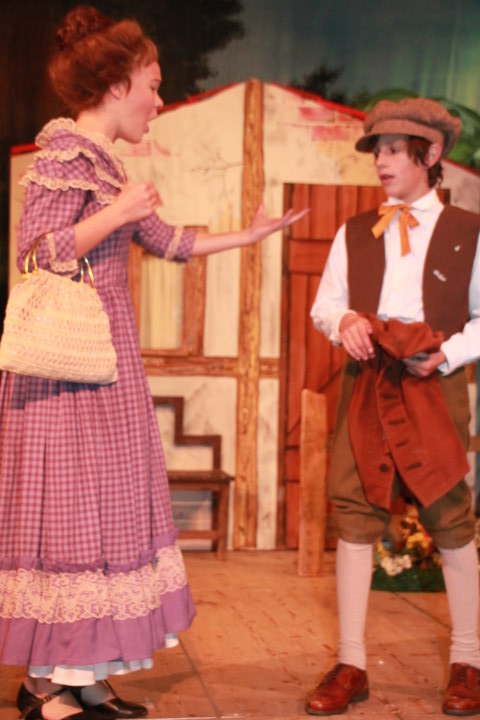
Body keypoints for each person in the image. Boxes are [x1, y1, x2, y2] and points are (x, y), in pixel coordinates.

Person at [0, 6, 307, 720]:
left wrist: (248, 235)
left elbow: (169, 241)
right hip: (64, 373)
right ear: (117, 85)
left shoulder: (106, 164)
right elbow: (35, 253)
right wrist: (115, 213)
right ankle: (47, 686)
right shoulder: (64, 156)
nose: (160, 100)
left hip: (104, 367)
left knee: (105, 513)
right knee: (73, 515)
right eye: (154, 84)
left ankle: (79, 675)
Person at [308, 97, 480, 717]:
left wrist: (448, 354)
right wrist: (345, 322)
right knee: (354, 510)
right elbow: (325, 305)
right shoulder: (356, 231)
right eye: (376, 150)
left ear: (430, 155)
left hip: (433, 382)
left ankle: (469, 662)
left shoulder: (468, 231)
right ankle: (351, 663)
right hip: (368, 383)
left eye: (392, 150)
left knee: (450, 514)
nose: (380, 161)